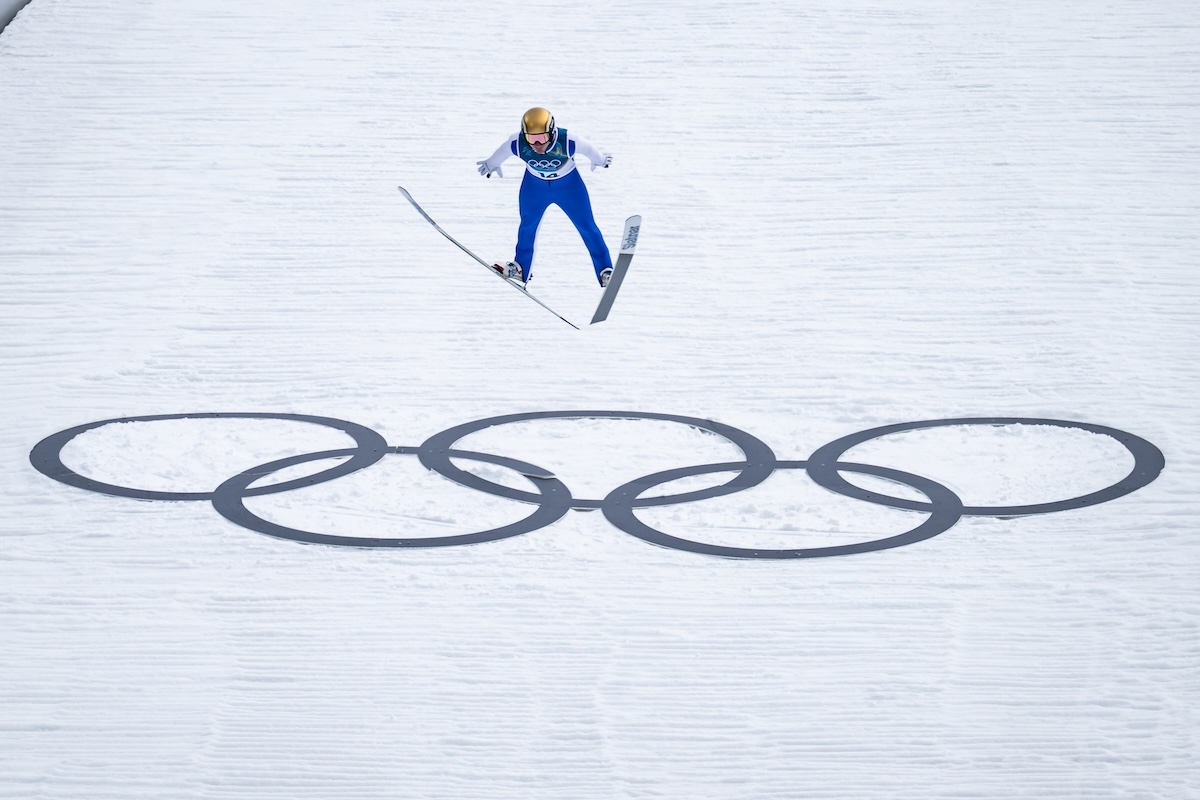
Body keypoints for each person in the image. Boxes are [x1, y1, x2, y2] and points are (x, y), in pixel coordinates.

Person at [476, 107, 615, 287]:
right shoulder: (517, 143)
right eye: (531, 138)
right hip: (534, 187)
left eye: (542, 137)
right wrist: (491, 164)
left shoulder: (568, 140)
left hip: (569, 186)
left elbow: (589, 149)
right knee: (527, 225)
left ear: (552, 131)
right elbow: (501, 154)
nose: (537, 144)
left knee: (586, 225)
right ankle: (521, 268)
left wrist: (601, 160)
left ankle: (605, 270)